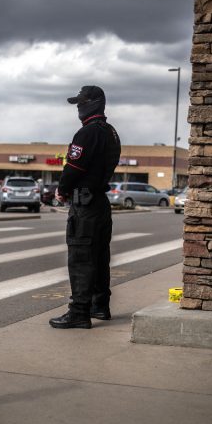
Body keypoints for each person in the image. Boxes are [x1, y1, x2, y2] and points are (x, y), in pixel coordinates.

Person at [49, 85, 121, 329]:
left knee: (81, 258)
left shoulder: (87, 133)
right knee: (99, 257)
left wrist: (62, 189)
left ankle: (79, 311)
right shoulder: (111, 132)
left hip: (86, 204)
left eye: (82, 102)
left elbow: (74, 168)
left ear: (95, 102)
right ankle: (100, 306)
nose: (78, 107)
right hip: (100, 202)